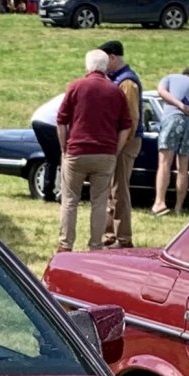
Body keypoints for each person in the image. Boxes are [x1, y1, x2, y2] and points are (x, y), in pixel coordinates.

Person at [55, 49, 130, 253]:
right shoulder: (116, 91)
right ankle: (95, 246)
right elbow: (126, 126)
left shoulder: (76, 86)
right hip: (105, 153)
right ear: (105, 67)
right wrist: (115, 150)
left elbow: (61, 120)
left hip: (77, 150)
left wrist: (64, 148)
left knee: (70, 201)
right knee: (99, 202)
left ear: (87, 66)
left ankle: (65, 244)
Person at [151, 66, 189, 216]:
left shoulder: (170, 78)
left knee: (165, 162)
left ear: (183, 74)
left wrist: (179, 105)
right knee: (183, 167)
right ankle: (178, 207)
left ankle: (160, 203)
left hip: (173, 119)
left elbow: (161, 91)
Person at [100, 41, 141, 249]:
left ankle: (123, 238)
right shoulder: (116, 80)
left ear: (113, 58)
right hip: (117, 142)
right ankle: (110, 234)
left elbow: (131, 119)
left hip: (126, 142)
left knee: (120, 190)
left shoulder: (127, 83)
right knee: (110, 189)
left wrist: (120, 145)